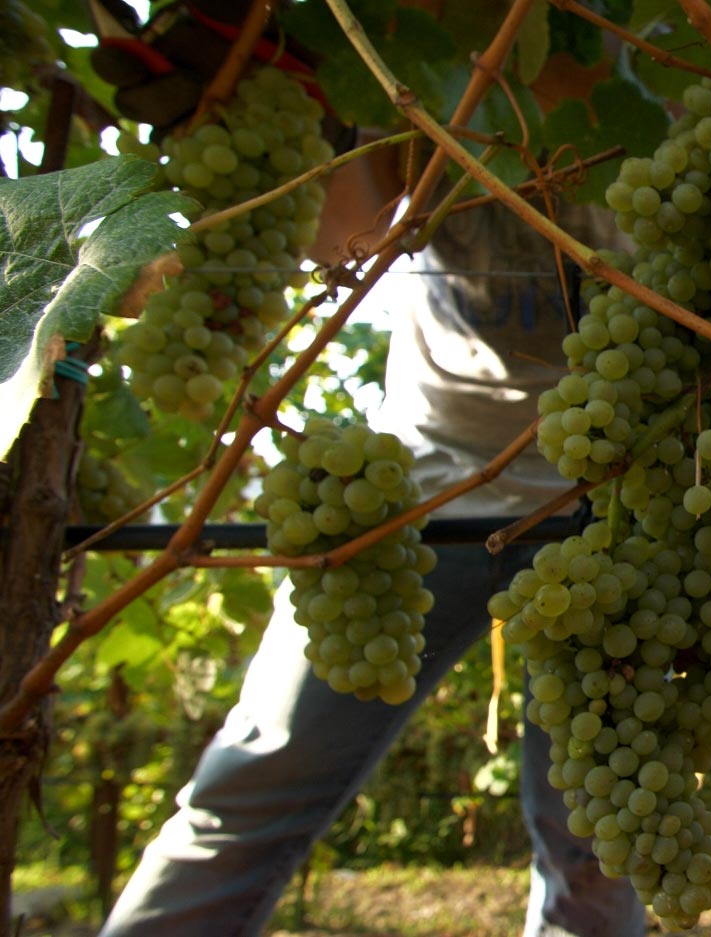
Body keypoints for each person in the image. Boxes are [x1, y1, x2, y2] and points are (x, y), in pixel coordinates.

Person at [93, 9, 652, 936]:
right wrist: (261, 109)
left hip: (616, 509)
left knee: (597, 839)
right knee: (251, 786)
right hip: (415, 495)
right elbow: (341, 232)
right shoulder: (429, 39)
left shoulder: (678, 66)